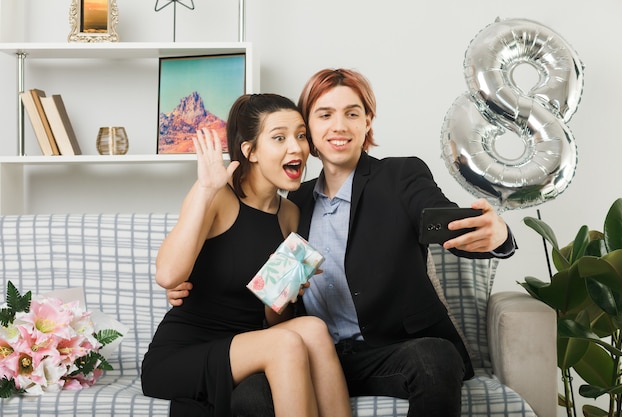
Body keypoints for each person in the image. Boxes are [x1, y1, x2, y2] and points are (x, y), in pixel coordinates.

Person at [168, 69, 516, 417]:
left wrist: (497, 235)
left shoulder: (399, 176)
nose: (339, 126)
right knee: (249, 395)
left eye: (352, 113)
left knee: (435, 357)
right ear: (309, 132)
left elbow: (445, 220)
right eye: (324, 115)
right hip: (313, 354)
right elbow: (268, 296)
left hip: (388, 352)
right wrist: (196, 283)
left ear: (367, 123)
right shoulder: (292, 204)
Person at [142, 93, 352, 417]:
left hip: (250, 344)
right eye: (279, 137)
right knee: (285, 344)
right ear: (250, 150)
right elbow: (168, 276)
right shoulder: (217, 197)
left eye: (300, 136)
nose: (296, 147)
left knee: (312, 328)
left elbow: (273, 320)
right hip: (184, 353)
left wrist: (286, 291)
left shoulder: (290, 215)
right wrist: (205, 189)